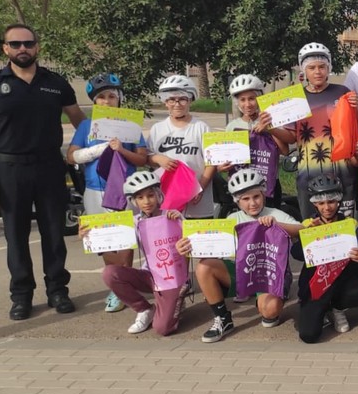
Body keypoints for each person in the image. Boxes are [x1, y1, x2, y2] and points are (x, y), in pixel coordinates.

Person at [0, 24, 86, 321]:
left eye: (28, 43)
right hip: (9, 169)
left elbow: (81, 123)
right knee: (16, 236)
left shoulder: (55, 83)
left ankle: (58, 290)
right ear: (5, 49)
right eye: (15, 44)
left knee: (54, 233)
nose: (23, 48)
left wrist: (98, 146)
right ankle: (21, 296)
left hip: (49, 166)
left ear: (37, 47)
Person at [176, 170, 303, 343]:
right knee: (204, 266)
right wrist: (187, 246)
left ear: (263, 194)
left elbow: (302, 230)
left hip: (268, 273)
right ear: (237, 201)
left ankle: (269, 298)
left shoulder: (274, 213)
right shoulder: (232, 218)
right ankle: (223, 319)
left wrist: (277, 225)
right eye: (245, 199)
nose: (252, 203)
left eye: (256, 196)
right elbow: (211, 247)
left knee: (270, 311)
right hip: (243, 271)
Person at [67, 73, 149, 314]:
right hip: (95, 190)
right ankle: (117, 284)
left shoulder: (131, 125)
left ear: (119, 99)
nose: (106, 101)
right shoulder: (85, 126)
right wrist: (97, 150)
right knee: (104, 243)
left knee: (124, 240)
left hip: (124, 190)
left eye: (111, 96)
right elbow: (71, 155)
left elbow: (142, 158)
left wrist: (121, 149)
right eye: (101, 97)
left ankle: (123, 286)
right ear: (94, 102)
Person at [272, 43, 358, 220]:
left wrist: (356, 109)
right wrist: (270, 128)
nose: (317, 71)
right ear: (304, 72)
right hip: (308, 171)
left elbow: (355, 128)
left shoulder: (342, 92)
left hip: (342, 172)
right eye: (311, 68)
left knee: (346, 225)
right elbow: (291, 137)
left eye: (322, 67)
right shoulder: (296, 98)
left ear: (329, 68)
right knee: (311, 227)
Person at [94, 171, 186, 336]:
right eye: (140, 198)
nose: (146, 201)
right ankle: (144, 309)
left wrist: (181, 223)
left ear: (159, 195)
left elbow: (194, 242)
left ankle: (178, 297)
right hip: (150, 275)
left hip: (172, 278)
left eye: (151, 195)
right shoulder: (134, 222)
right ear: (133, 201)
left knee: (163, 329)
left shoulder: (171, 216)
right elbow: (120, 258)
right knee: (110, 273)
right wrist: (93, 237)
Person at [293, 174, 358, 343]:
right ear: (314, 203)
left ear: (339, 201)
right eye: (321, 203)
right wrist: (307, 235)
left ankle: (338, 308)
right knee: (308, 335)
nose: (327, 207)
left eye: (331, 202)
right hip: (318, 283)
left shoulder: (350, 224)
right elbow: (296, 254)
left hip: (344, 281)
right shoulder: (309, 224)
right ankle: (323, 308)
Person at [147, 75, 217, 219]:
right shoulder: (157, 129)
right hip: (167, 199)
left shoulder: (201, 127)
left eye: (182, 99)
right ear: (165, 102)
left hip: (197, 203)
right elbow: (147, 158)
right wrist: (158, 158)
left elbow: (211, 163)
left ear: (190, 100)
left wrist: (200, 188)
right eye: (172, 99)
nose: (177, 104)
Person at [223, 73, 288, 209]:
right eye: (242, 100)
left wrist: (269, 129)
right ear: (237, 102)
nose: (247, 104)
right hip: (241, 185)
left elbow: (285, 151)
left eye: (252, 98)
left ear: (259, 98)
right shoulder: (232, 127)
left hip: (269, 185)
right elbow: (224, 159)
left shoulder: (270, 121)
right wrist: (222, 166)